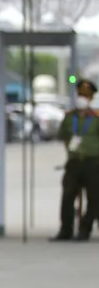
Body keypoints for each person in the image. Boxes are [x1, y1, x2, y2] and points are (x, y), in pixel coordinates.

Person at [51, 79, 99, 241]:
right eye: (80, 95)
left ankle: (85, 230)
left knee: (94, 198)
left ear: (91, 98)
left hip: (93, 162)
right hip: (74, 162)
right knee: (68, 195)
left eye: (85, 96)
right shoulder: (69, 117)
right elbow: (64, 136)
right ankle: (66, 230)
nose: (82, 98)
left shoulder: (97, 118)